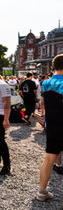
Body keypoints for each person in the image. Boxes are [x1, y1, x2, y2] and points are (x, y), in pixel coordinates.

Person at [36, 54, 63, 201]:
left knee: (49, 158)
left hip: (52, 125)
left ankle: (41, 192)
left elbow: (43, 103)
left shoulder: (45, 83)